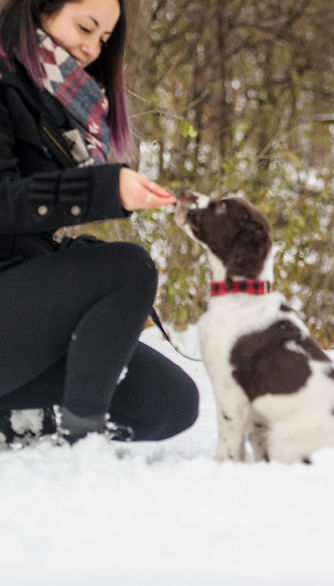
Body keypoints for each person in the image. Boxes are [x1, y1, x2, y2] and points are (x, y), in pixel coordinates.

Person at [0, 0, 199, 445]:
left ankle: (18, 419)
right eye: (85, 27)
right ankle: (82, 441)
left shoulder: (50, 100)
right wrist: (103, 191)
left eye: (104, 39)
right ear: (40, 11)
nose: (92, 48)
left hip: (16, 299)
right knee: (128, 268)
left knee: (169, 402)